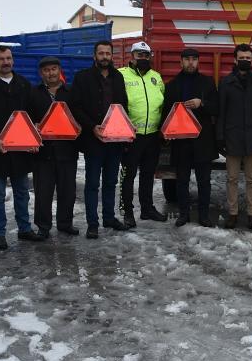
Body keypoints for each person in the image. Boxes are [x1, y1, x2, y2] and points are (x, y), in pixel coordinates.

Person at [0, 45, 44, 249]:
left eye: (9, 58)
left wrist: (32, 138)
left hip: (20, 150)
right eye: (1, 59)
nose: (6, 62)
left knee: (22, 192)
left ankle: (25, 229)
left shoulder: (23, 84)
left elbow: (30, 114)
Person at [70, 40, 129, 237]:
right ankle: (92, 223)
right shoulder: (82, 78)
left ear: (112, 56)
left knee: (111, 182)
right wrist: (91, 127)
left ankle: (109, 218)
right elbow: (75, 107)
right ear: (94, 56)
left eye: (108, 53)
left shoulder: (118, 77)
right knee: (93, 183)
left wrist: (126, 128)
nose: (105, 57)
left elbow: (123, 107)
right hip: (93, 140)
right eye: (101, 53)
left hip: (115, 140)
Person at [163, 48, 218, 227]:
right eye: (187, 59)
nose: (191, 63)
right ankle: (183, 215)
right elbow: (166, 113)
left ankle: (203, 216)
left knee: (204, 181)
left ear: (198, 62)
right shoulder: (171, 85)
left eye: (194, 59)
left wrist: (201, 103)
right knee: (182, 181)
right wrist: (164, 133)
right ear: (181, 62)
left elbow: (216, 108)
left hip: (203, 141)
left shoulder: (207, 83)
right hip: (181, 141)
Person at [26, 56, 80, 239]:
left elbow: (79, 117)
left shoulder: (71, 92)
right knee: (43, 193)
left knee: (67, 192)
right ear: (41, 73)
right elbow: (26, 119)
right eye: (47, 70)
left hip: (67, 151)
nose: (51, 73)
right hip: (43, 154)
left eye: (54, 69)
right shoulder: (33, 93)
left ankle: (65, 224)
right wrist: (34, 125)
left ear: (59, 71)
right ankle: (43, 226)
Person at [217, 43, 252, 230]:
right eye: (241, 58)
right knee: (232, 179)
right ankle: (233, 214)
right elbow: (221, 112)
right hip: (232, 138)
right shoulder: (225, 82)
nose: (245, 61)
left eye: (248, 58)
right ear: (235, 60)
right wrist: (220, 138)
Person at [119, 41, 167, 228]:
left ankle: (147, 209)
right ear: (132, 56)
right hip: (131, 136)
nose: (143, 59)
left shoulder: (156, 77)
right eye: (139, 55)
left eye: (146, 55)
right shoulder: (122, 75)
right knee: (128, 175)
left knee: (148, 174)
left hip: (152, 135)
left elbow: (162, 102)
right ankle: (128, 212)